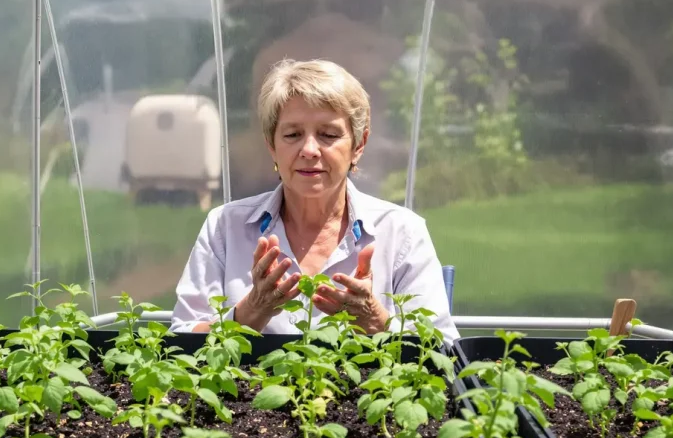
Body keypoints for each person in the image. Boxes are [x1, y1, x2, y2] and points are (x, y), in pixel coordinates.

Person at [170, 58, 459, 343]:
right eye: (293, 134)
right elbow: (181, 340)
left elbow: (445, 353)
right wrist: (250, 312)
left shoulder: (401, 232)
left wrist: (374, 320)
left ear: (359, 145)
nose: (309, 149)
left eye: (328, 134)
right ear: (272, 145)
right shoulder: (225, 227)